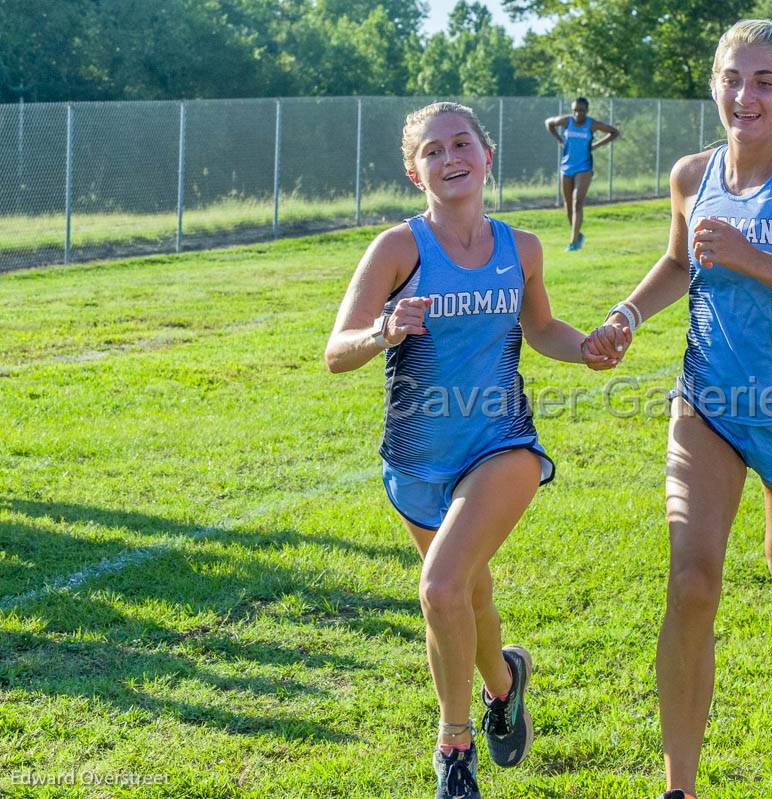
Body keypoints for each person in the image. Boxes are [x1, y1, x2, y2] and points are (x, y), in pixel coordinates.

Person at [586, 19, 772, 799]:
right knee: (691, 581)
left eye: (763, 81)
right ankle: (679, 787)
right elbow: (680, 261)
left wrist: (758, 261)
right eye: (731, 77)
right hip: (708, 404)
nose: (744, 94)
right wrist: (626, 313)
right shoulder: (693, 174)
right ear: (714, 85)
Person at [324, 101, 627, 799]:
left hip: (501, 445)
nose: (450, 157)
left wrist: (584, 349)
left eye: (462, 143)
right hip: (416, 459)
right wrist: (382, 330)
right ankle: (505, 681)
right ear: (413, 170)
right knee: (467, 594)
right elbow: (336, 352)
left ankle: (453, 747)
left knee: (439, 586)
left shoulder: (521, 248)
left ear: (488, 155)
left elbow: (542, 326)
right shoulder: (398, 249)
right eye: (433, 150)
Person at [545, 97, 620, 251]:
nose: (578, 114)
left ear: (587, 111)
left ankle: (572, 243)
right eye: (575, 110)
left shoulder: (591, 124)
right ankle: (577, 234)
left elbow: (614, 132)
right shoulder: (567, 121)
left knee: (577, 201)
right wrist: (559, 140)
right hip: (566, 167)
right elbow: (549, 123)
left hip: (584, 167)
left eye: (581, 111)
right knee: (568, 205)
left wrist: (596, 145)